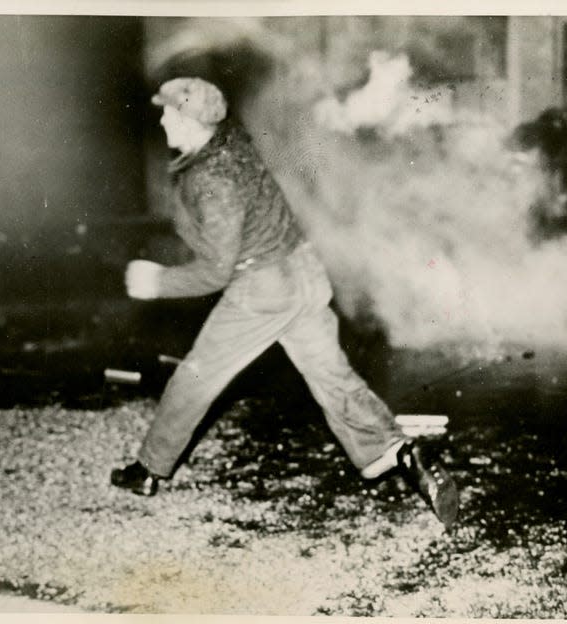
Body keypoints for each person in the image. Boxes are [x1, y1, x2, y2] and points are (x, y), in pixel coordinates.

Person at [111, 77, 459, 528]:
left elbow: (217, 270)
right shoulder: (230, 144)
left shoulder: (210, 178)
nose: (160, 118)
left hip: (263, 289)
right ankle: (400, 451)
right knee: (335, 379)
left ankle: (148, 470)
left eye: (170, 113)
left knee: (196, 376)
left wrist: (158, 281)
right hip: (304, 272)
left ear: (192, 122)